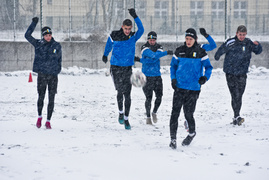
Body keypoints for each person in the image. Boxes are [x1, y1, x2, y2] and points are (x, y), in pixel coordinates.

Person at [169, 28, 213, 149]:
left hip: (193, 89)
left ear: (195, 39)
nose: (188, 41)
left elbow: (209, 67)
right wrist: (173, 79)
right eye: (187, 39)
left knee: (188, 114)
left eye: (191, 39)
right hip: (179, 88)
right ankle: (173, 139)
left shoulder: (201, 52)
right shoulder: (179, 51)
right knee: (174, 114)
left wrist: (205, 77)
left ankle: (192, 133)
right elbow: (173, 66)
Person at [102, 8, 144, 130]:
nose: (127, 31)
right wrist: (105, 54)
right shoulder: (114, 35)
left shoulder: (133, 37)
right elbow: (108, 45)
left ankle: (126, 119)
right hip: (115, 68)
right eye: (125, 28)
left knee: (128, 95)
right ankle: (120, 112)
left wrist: (135, 16)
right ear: (122, 27)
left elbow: (141, 30)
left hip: (127, 69)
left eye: (129, 29)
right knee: (120, 92)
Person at [214, 25, 262, 125]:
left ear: (246, 34)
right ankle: (237, 115)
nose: (241, 36)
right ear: (236, 33)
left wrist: (258, 45)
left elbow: (258, 51)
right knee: (235, 94)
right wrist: (217, 55)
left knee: (239, 95)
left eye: (243, 35)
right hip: (230, 73)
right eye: (240, 34)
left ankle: (236, 116)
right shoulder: (230, 42)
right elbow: (222, 49)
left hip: (242, 73)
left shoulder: (248, 42)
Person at [25, 17, 62, 129]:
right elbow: (27, 35)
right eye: (46, 35)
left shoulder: (56, 45)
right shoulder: (38, 44)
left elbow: (59, 60)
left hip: (53, 76)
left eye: (49, 35)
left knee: (51, 98)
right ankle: (40, 117)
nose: (48, 37)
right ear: (43, 36)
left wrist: (57, 70)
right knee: (41, 97)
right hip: (42, 75)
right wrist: (33, 23)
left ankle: (48, 120)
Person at [135, 31, 173, 125]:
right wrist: (166, 53)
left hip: (157, 76)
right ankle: (148, 117)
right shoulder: (144, 47)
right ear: (148, 39)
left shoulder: (159, 46)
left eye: (153, 40)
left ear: (156, 40)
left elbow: (152, 58)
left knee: (159, 97)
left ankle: (154, 112)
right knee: (148, 98)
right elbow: (154, 56)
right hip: (146, 77)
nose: (152, 41)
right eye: (150, 40)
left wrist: (141, 60)